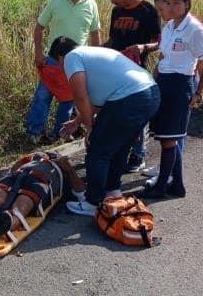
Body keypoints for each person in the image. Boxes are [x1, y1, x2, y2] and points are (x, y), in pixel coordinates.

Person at [52, 37, 160, 216]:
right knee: (119, 146)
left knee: (98, 149)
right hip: (150, 94)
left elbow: (80, 96)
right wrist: (77, 121)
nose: (60, 68)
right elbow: (102, 100)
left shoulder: (71, 57)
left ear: (60, 57)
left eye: (58, 64)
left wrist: (90, 128)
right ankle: (113, 191)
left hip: (130, 99)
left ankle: (93, 202)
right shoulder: (93, 53)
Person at [138, 0, 203, 199]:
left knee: (170, 138)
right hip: (164, 82)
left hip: (181, 84)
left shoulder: (194, 29)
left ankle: (162, 185)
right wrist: (154, 79)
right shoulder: (169, 26)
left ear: (186, 5)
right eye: (168, 3)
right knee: (166, 136)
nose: (170, 7)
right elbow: (163, 56)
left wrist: (198, 92)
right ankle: (177, 184)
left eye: (176, 3)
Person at [25, 0, 101, 144]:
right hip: (52, 59)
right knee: (43, 96)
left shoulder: (91, 4)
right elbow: (39, 27)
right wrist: (38, 52)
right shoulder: (56, 0)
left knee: (68, 100)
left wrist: (95, 61)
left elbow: (95, 33)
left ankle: (59, 134)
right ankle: (33, 132)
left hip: (77, 62)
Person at [0, 151, 86, 242]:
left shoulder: (62, 168)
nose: (52, 154)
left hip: (42, 181)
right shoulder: (34, 157)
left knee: (24, 201)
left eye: (55, 154)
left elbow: (81, 193)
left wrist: (69, 168)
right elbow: (13, 169)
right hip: (16, 176)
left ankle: (4, 224)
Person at [103, 0, 161, 173]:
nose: (112, 0)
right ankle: (117, 150)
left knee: (136, 113)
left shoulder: (147, 10)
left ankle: (138, 155)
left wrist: (144, 47)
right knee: (115, 109)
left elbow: (160, 42)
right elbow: (113, 39)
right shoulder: (116, 11)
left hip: (136, 70)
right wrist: (98, 51)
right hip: (115, 68)